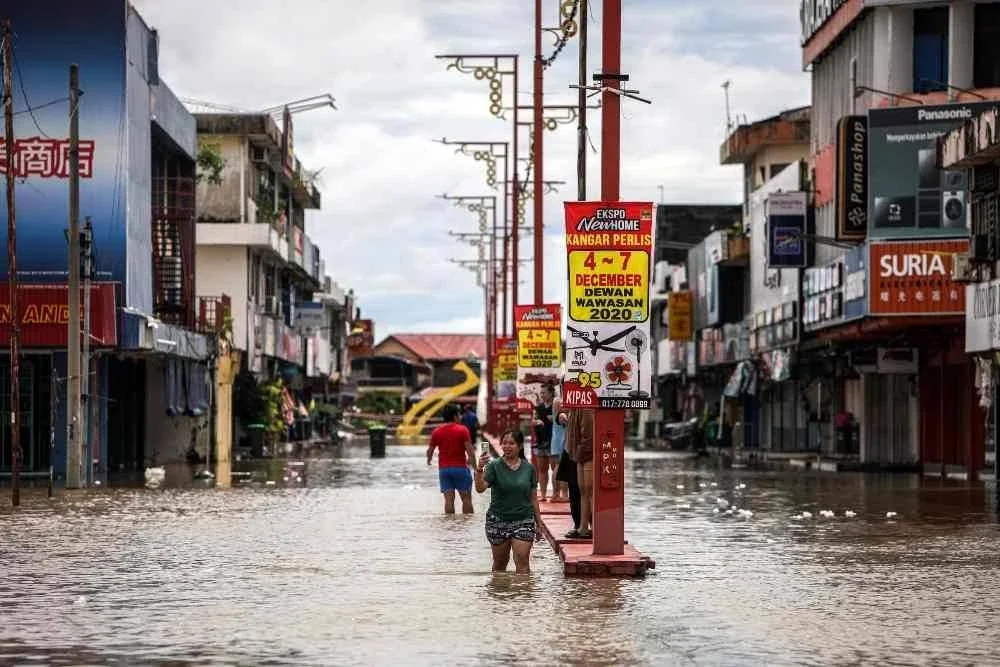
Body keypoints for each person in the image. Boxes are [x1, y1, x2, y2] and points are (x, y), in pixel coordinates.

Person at [474, 429, 542, 573]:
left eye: (511, 443)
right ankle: (499, 593)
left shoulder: (529, 469)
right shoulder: (494, 466)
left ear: (520, 446)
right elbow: (480, 489)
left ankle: (523, 594)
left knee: (522, 561)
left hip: (523, 520)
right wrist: (479, 468)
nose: (507, 446)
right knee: (500, 564)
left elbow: (533, 498)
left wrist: (539, 524)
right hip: (498, 520)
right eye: (504, 443)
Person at [426, 403, 476, 514]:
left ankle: (450, 528)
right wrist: (476, 468)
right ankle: (467, 528)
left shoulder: (436, 432)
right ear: (455, 416)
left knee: (449, 500)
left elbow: (430, 451)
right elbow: (470, 451)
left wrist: (428, 461)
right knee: (466, 499)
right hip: (460, 469)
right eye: (459, 414)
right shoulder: (463, 430)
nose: (461, 417)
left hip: (444, 470)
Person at [565, 408, 594, 539]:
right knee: (583, 490)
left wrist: (579, 452)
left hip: (586, 453)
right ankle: (583, 526)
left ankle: (593, 527)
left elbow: (588, 435)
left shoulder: (586, 408)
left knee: (589, 489)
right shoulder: (574, 407)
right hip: (578, 453)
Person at [531, 384, 555, 500]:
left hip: (553, 441)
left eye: (544, 393)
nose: (542, 395)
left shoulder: (556, 406)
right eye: (541, 393)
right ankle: (543, 494)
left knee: (554, 468)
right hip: (541, 441)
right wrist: (535, 422)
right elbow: (533, 420)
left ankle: (556, 494)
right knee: (542, 469)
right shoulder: (538, 408)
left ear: (551, 393)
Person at [549, 393, 569, 501]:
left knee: (557, 466)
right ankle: (564, 494)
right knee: (561, 467)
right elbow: (562, 418)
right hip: (563, 438)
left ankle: (555, 494)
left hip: (556, 437)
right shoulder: (561, 400)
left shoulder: (556, 400)